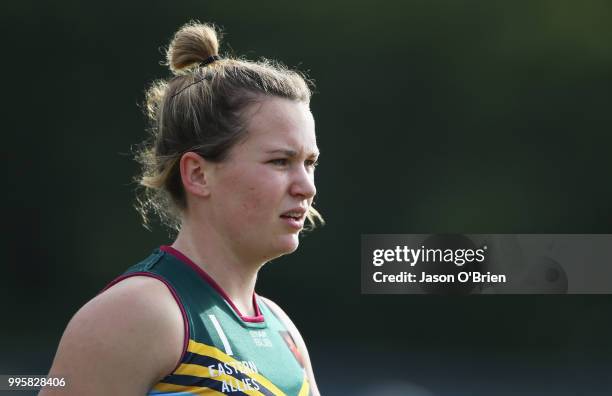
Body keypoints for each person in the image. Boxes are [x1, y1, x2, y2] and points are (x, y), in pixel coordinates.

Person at [41, 21, 322, 396]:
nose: (307, 186)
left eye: (310, 162)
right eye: (280, 162)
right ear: (198, 174)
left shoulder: (282, 330)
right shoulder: (139, 313)